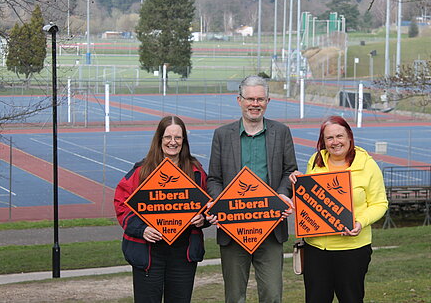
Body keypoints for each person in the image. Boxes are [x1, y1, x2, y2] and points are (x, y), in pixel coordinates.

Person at [206, 75, 298, 303]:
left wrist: (282, 195)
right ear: (239, 100)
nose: (254, 104)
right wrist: (222, 206)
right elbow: (214, 179)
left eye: (260, 99)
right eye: (250, 99)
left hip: (271, 229)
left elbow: (290, 171)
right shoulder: (222, 135)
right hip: (232, 230)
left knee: (272, 295)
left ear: (268, 101)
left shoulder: (282, 132)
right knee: (235, 297)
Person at [289, 116, 388, 303]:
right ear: (323, 141)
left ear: (349, 137)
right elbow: (308, 199)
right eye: (329, 138)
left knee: (351, 299)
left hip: (352, 249)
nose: (335, 142)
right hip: (316, 248)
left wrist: (360, 223)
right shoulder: (315, 161)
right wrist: (297, 181)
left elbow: (380, 204)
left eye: (339, 136)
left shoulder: (368, 165)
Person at [114, 115, 208, 303]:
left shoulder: (196, 171)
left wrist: (203, 218)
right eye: (167, 137)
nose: (172, 142)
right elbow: (121, 203)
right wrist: (142, 229)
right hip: (149, 253)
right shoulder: (142, 171)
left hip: (183, 253)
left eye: (178, 138)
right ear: (159, 139)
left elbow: (208, 204)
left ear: (184, 141)